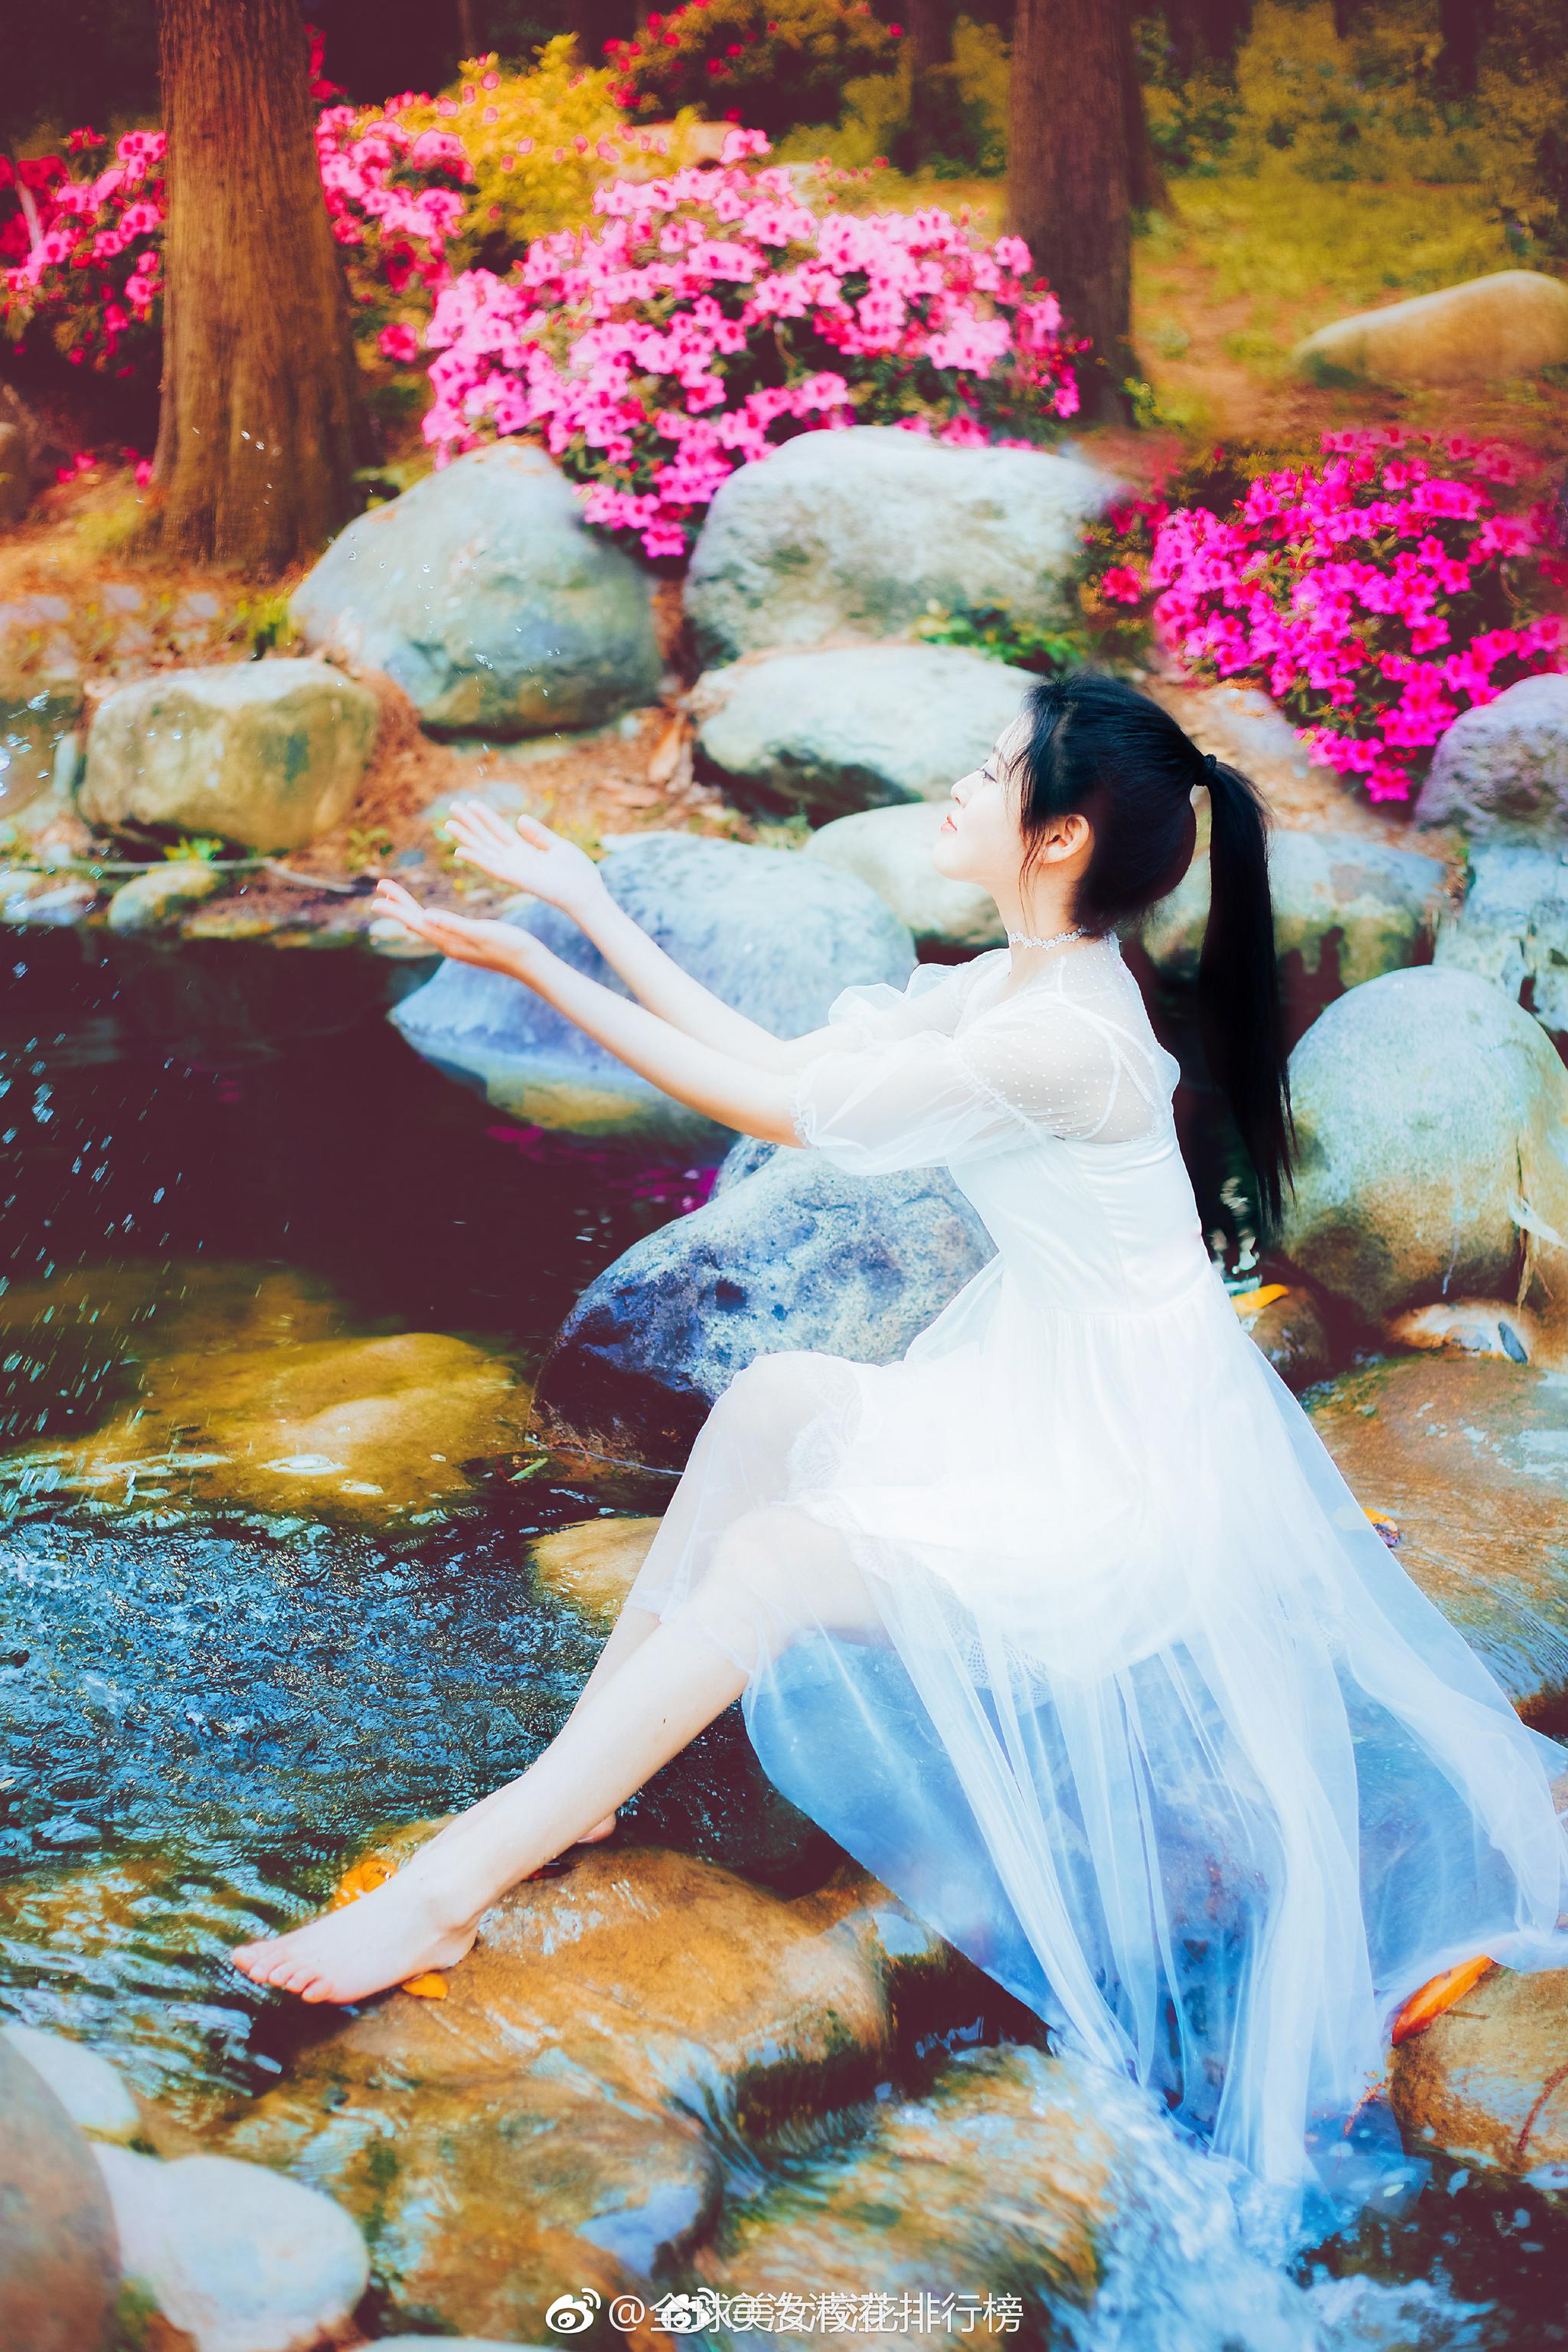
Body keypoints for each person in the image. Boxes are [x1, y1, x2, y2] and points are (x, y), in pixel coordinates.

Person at [230, 671, 1568, 2233]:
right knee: (776, 1400)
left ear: (1058, 837)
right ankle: (579, 1785)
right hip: (1057, 1394)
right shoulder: (1016, 982)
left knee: (775, 1563)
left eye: (993, 772)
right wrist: (586, 909)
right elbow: (788, 1066)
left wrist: (540, 957)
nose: (960, 786)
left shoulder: (1064, 1040)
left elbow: (776, 1109)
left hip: (1116, 1475)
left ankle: (447, 1892)